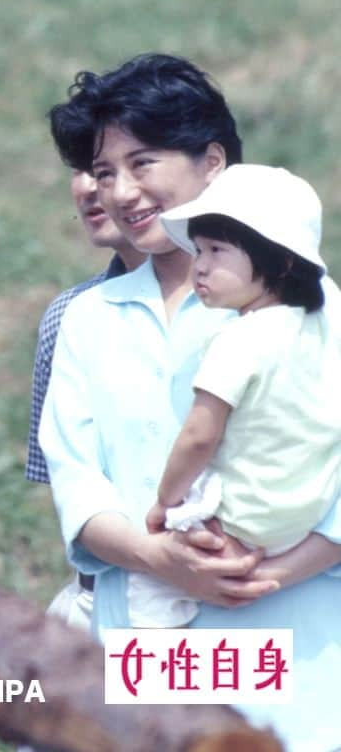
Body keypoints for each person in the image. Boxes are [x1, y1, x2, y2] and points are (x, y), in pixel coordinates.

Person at [38, 53, 341, 752]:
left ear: (213, 164)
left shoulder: (314, 311)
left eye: (143, 163)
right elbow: (77, 485)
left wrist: (260, 575)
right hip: (149, 631)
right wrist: (160, 559)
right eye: (105, 172)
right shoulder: (89, 317)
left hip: (293, 638)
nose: (121, 192)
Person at [123, 164, 341, 628]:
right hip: (304, 516)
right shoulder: (324, 329)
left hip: (241, 518)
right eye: (198, 250)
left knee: (149, 586)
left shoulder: (239, 339)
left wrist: (167, 500)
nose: (200, 265)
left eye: (217, 251)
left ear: (281, 261)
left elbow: (200, 435)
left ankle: (160, 661)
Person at [26, 170, 145, 630]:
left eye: (138, 162)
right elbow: (64, 486)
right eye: (89, 168)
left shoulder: (269, 313)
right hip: (101, 606)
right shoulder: (70, 316)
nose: (91, 187)